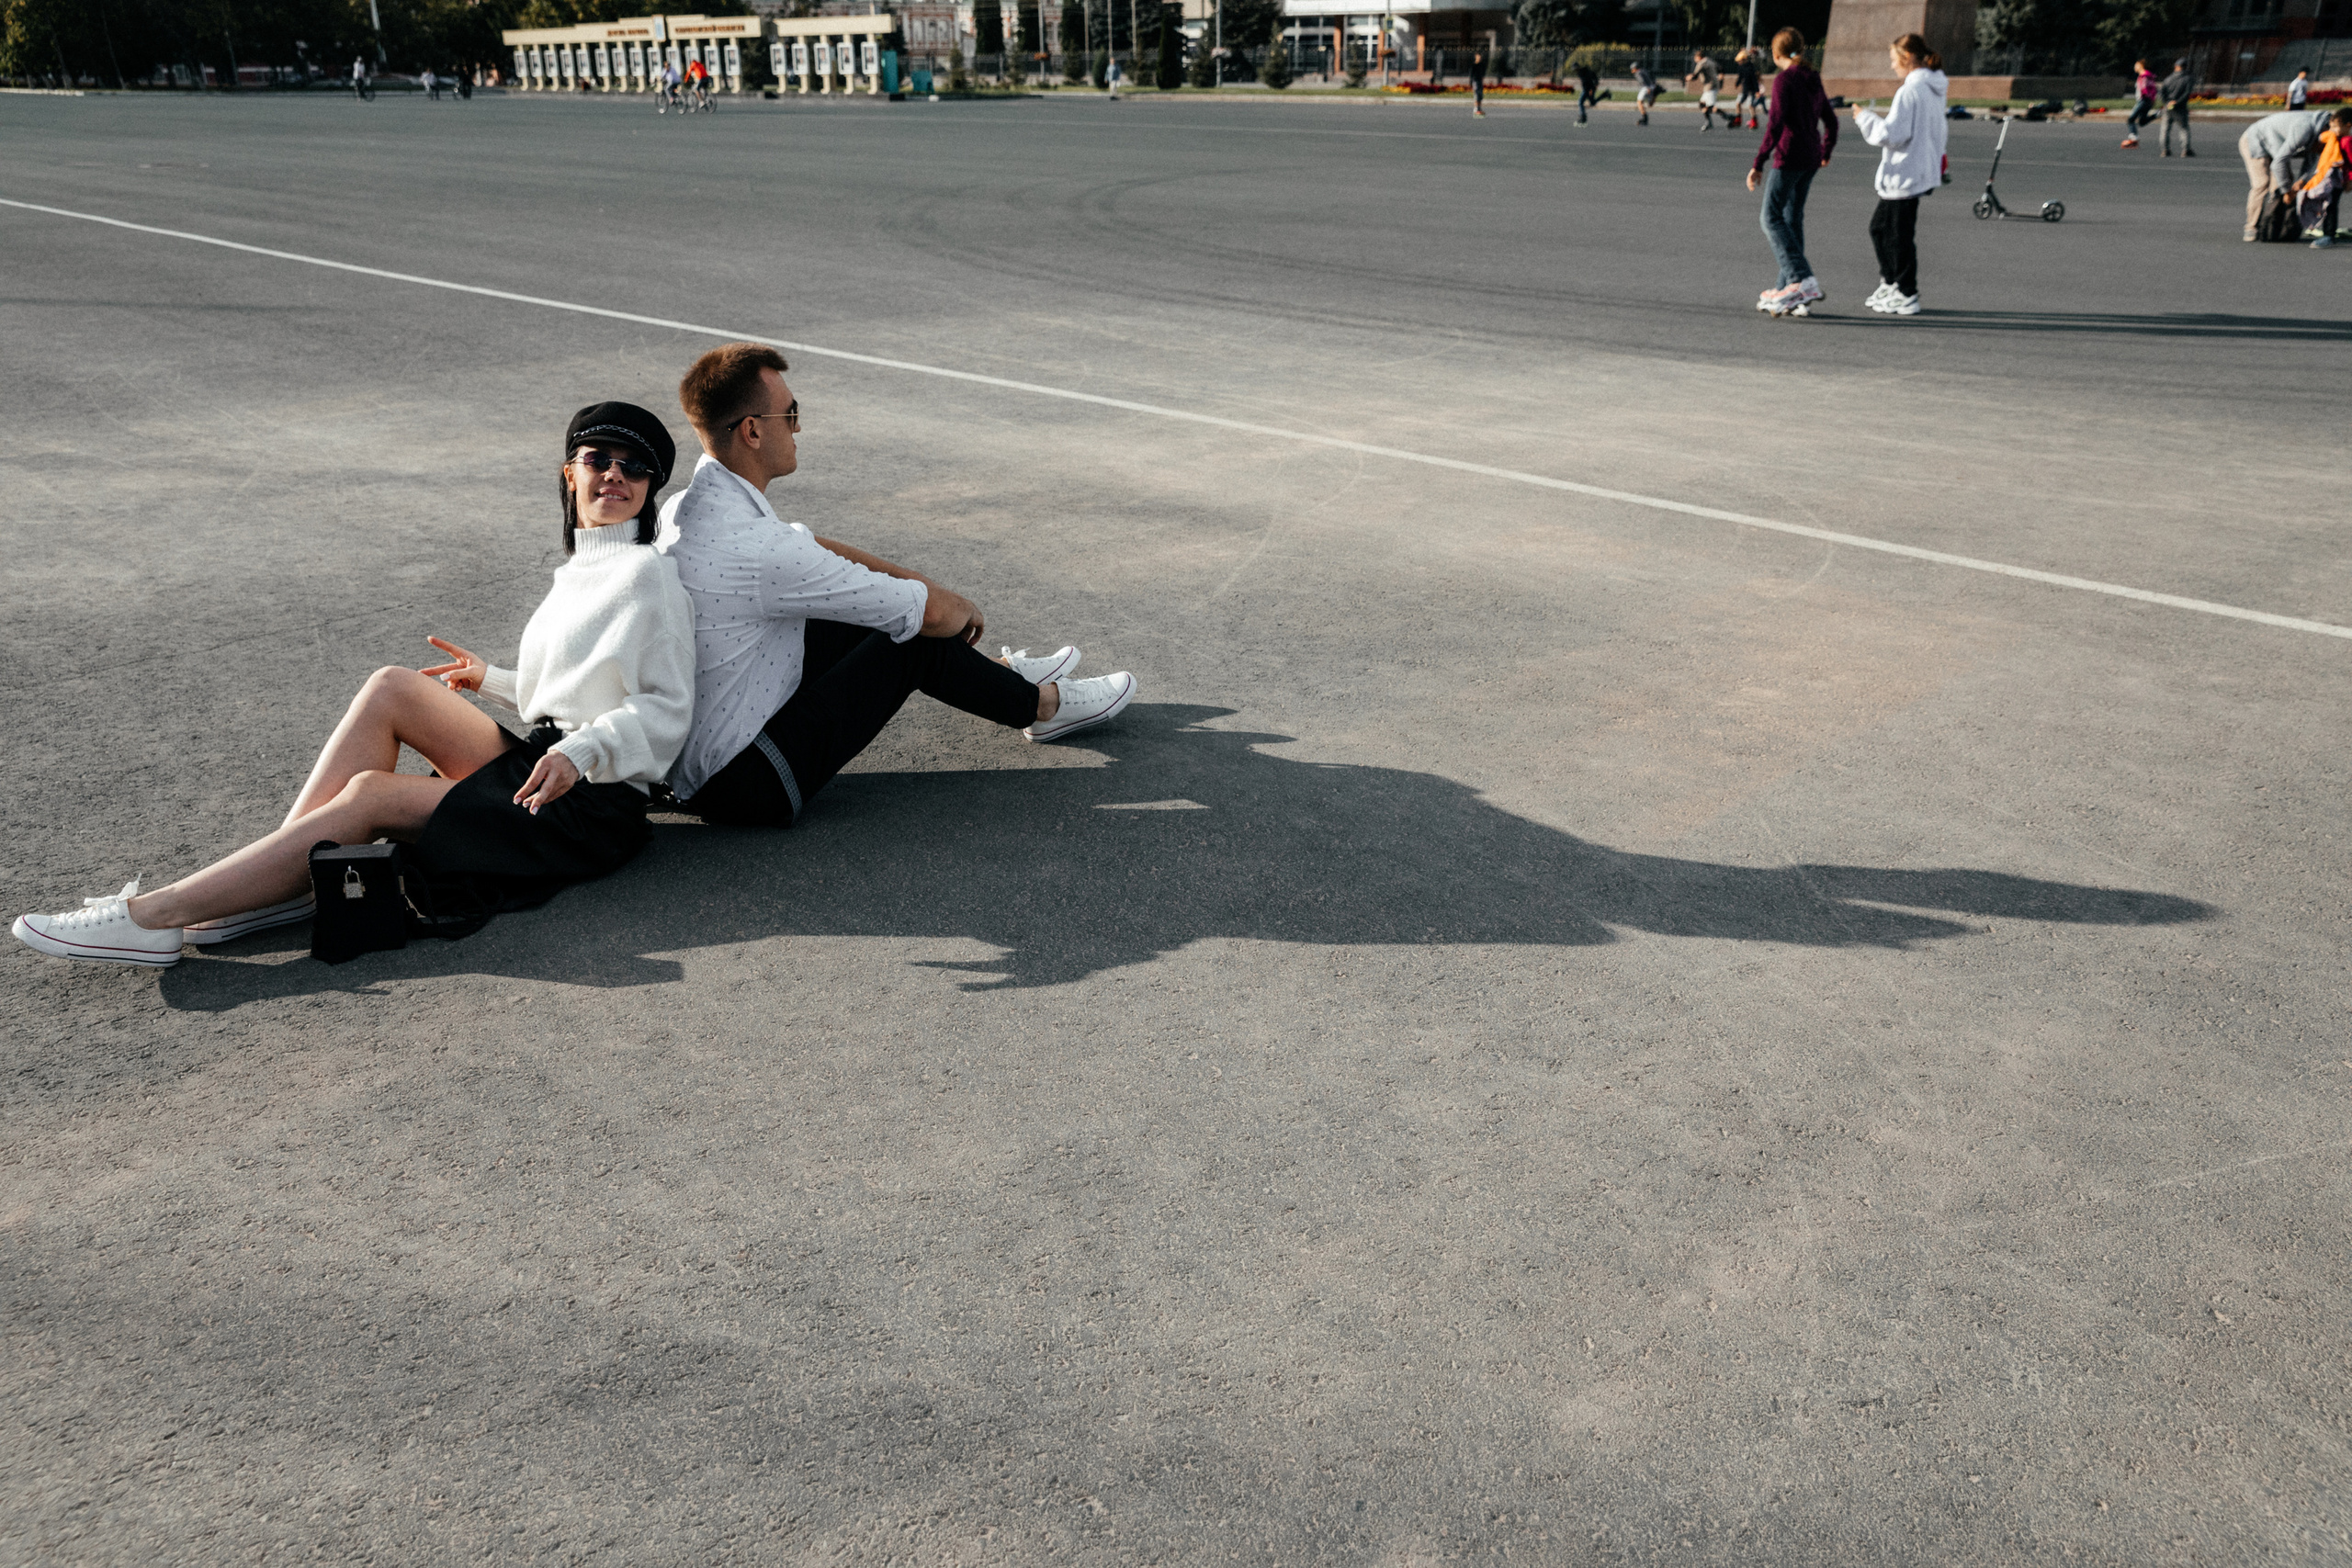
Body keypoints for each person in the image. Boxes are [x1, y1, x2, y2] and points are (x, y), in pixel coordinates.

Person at [11, 404, 696, 969]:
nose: (615, 475)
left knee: (371, 796)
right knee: (392, 687)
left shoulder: (647, 576)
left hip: (590, 806)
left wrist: (582, 753)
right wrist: (493, 680)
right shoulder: (580, 569)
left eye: (634, 466)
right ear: (568, 472)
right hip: (547, 765)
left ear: (650, 486)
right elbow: (577, 692)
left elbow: (667, 714)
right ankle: (284, 881)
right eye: (597, 459)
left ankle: (151, 918)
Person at [655, 344, 1137, 832]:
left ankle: (997, 674)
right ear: (752, 430)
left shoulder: (688, 507)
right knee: (908, 640)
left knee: (858, 611)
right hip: (748, 784)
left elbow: (810, 544)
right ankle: (1042, 706)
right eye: (791, 413)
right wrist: (954, 605)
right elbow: (927, 617)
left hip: (700, 753)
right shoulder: (763, 552)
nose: (798, 427)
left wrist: (927, 586)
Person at [1852, 33, 1948, 316]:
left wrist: (1863, 117)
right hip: (1917, 169)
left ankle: (1906, 291)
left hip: (1906, 173)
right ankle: (1892, 282)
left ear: (1907, 59)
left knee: (1897, 235)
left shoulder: (1911, 90)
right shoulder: (1932, 87)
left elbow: (1892, 134)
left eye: (1894, 61)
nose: (1892, 67)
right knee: (1881, 229)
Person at [1749, 28, 1838, 316]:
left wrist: (1758, 163)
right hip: (1810, 157)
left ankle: (1801, 279)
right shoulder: (1812, 78)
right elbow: (1831, 120)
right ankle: (1790, 291)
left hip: (1789, 157)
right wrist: (1825, 151)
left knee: (1770, 218)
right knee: (1791, 219)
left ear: (1776, 55)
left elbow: (1775, 125)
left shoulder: (1784, 80)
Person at [2240, 107, 2351, 240]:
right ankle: (2251, 228)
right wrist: (2287, 191)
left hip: (2277, 146)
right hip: (2255, 140)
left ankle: (2274, 228)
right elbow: (2279, 162)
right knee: (2262, 184)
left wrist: (2302, 181)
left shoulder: (2324, 134)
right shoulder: (2304, 130)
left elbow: (2311, 161)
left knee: (2280, 185)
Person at [2296, 117, 2349, 244]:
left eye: (2335, 127)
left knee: (2330, 206)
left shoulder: (2346, 141)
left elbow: (2350, 162)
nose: (2332, 130)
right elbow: (2322, 139)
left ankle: (2329, 235)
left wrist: (2349, 180)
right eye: (2331, 127)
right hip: (2333, 178)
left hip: (2339, 178)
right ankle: (2328, 234)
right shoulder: (2335, 139)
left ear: (2348, 125)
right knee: (2328, 205)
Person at [2159, 58, 2196, 157]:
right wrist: (2177, 102)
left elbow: (2162, 92)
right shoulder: (2188, 79)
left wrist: (2167, 103)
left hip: (2168, 108)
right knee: (2184, 129)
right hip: (2180, 108)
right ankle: (2185, 150)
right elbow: (2187, 93)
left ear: (2176, 66)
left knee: (2165, 129)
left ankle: (2165, 150)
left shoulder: (2168, 79)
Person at [2120, 58, 2155, 147]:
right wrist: (2152, 99)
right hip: (2147, 101)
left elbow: (2144, 88)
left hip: (2143, 100)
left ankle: (2133, 137)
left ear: (2141, 66)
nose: (2134, 67)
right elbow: (2153, 89)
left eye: (2136, 65)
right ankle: (2157, 114)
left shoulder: (2144, 76)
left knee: (2131, 119)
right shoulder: (2149, 76)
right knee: (2142, 121)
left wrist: (2145, 97)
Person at [1684, 48, 1721, 130]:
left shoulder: (1701, 63)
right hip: (1712, 85)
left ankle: (1728, 117)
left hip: (1710, 86)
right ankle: (1709, 122)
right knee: (1702, 104)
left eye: (1695, 58)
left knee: (1710, 107)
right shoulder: (1710, 61)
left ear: (1699, 57)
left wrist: (1688, 78)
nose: (1695, 60)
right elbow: (1719, 68)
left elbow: (1695, 76)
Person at [1733, 46, 1762, 130]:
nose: (1739, 62)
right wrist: (1737, 83)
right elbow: (1740, 77)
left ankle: (1754, 122)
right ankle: (1738, 119)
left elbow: (1754, 80)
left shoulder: (1751, 67)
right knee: (1738, 103)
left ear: (1745, 59)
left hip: (1751, 90)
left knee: (1750, 106)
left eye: (1740, 60)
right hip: (1744, 90)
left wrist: (1757, 91)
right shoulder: (1741, 68)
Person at [1633, 58, 1658, 125]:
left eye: (1632, 69)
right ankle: (1655, 95)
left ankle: (1645, 118)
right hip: (1652, 86)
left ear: (1635, 68)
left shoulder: (1637, 73)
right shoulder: (1644, 70)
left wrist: (1647, 88)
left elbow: (1642, 81)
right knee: (1649, 104)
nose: (1632, 70)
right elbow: (1652, 77)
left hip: (1646, 87)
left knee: (1639, 102)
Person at [1575, 59, 1601, 124]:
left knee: (1580, 102)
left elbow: (1588, 80)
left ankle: (1583, 116)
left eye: (1575, 69)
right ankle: (1605, 95)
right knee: (1592, 102)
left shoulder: (1583, 72)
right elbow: (1593, 75)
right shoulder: (1583, 72)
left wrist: (1595, 84)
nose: (1575, 70)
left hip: (1588, 90)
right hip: (1589, 89)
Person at [1469, 47, 1487, 117]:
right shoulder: (1473, 65)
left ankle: (1479, 108)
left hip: (1480, 81)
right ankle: (1476, 108)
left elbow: (1483, 73)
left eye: (1480, 56)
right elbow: (1471, 75)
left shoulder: (1482, 65)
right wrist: (1471, 82)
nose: (1480, 57)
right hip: (1475, 81)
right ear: (1476, 56)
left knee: (1480, 95)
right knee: (1476, 95)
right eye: (1478, 56)